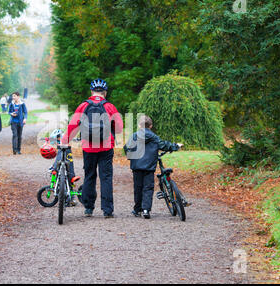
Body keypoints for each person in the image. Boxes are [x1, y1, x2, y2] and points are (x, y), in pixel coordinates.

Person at [62, 78, 123, 218]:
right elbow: (119, 129)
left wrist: (65, 140)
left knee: (89, 176)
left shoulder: (83, 105)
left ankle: (88, 208)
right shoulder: (109, 106)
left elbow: (73, 126)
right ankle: (108, 210)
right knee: (106, 177)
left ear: (91, 91)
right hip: (106, 147)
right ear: (105, 93)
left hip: (88, 147)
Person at [123, 115, 185, 219]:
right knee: (148, 187)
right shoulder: (154, 137)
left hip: (137, 166)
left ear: (139, 125)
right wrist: (176, 146)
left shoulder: (134, 136)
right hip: (149, 166)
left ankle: (137, 210)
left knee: (138, 188)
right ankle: (146, 210)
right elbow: (164, 145)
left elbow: (127, 148)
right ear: (151, 126)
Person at [49, 129, 80, 206]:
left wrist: (53, 168)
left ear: (59, 138)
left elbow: (58, 160)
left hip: (66, 172)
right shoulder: (67, 148)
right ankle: (71, 198)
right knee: (69, 183)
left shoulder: (62, 149)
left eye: (56, 141)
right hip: (70, 172)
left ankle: (68, 199)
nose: (56, 144)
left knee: (61, 181)